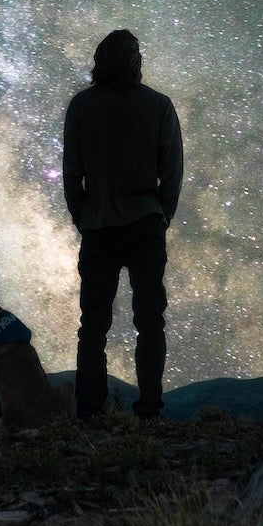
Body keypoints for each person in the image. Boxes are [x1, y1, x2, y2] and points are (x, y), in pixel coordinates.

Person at [62, 29, 183, 420]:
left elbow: (72, 173)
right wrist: (162, 214)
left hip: (98, 226)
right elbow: (173, 171)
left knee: (93, 325)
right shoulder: (158, 105)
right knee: (150, 321)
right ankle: (149, 408)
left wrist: (82, 216)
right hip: (146, 224)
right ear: (137, 62)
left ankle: (91, 412)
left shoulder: (82, 106)